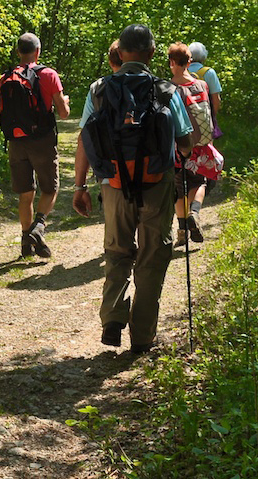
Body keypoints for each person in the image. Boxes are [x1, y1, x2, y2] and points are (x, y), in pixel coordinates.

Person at [72, 25, 194, 354]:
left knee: (116, 251)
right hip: (156, 185)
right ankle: (142, 337)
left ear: (120, 53)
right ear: (153, 54)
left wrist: (80, 186)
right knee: (153, 257)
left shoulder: (99, 89)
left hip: (112, 183)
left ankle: (113, 317)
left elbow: (85, 139)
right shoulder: (167, 90)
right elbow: (185, 145)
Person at [0, 32, 70, 259]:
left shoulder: (5, 78)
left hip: (16, 142)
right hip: (42, 140)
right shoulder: (48, 75)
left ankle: (26, 244)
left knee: (26, 193)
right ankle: (38, 228)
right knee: (50, 189)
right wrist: (64, 101)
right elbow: (64, 113)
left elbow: (0, 118)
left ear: (18, 52)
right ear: (37, 52)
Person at [168, 42, 212, 246]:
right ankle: (194, 212)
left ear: (172, 62)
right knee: (199, 182)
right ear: (190, 62)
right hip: (200, 144)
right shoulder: (201, 85)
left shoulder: (168, 88)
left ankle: (182, 230)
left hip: (179, 145)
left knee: (179, 188)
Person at [188, 42, 222, 133]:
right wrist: (212, 117)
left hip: (186, 120)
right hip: (205, 119)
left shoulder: (183, 72)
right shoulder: (209, 73)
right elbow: (216, 100)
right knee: (207, 145)